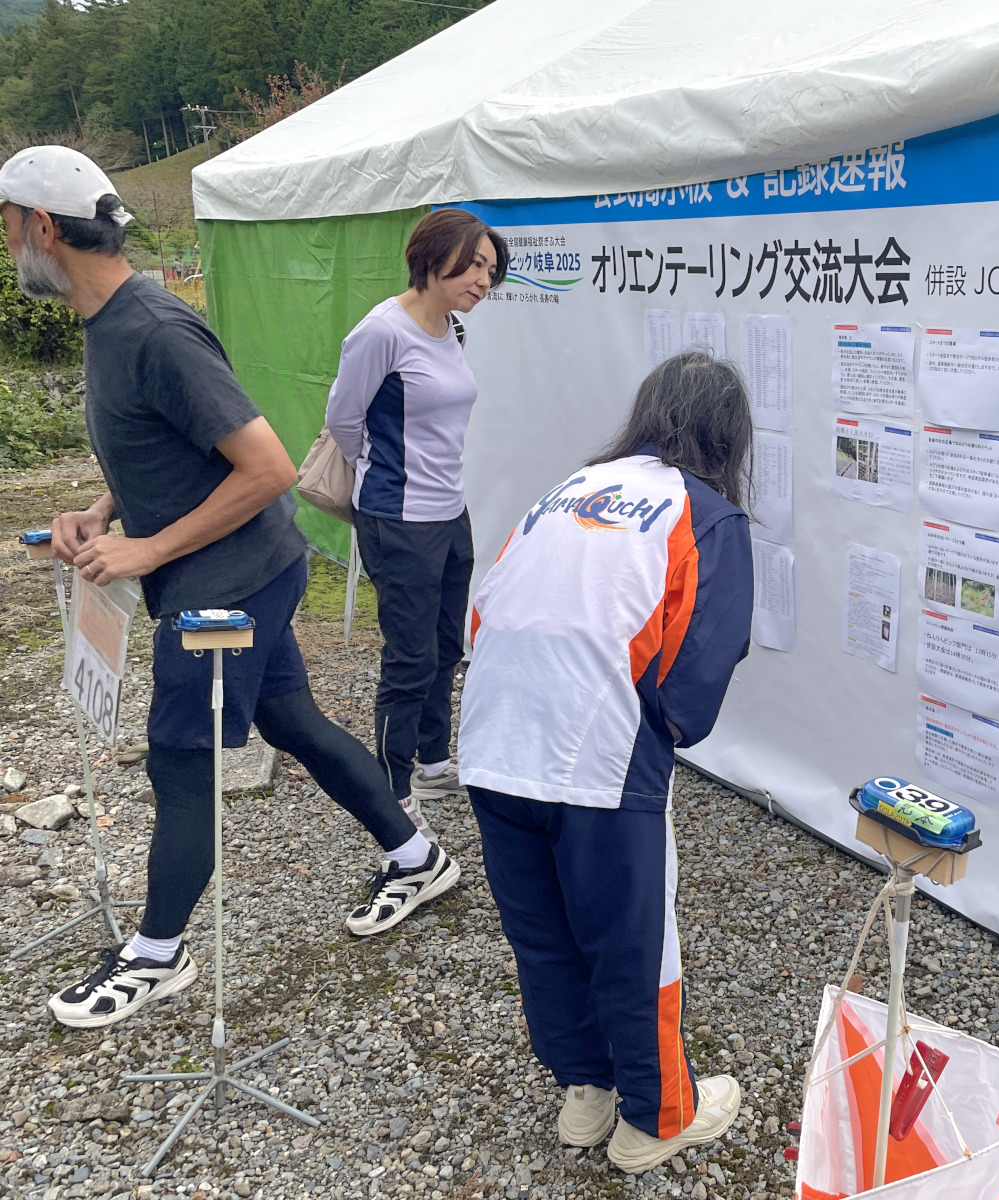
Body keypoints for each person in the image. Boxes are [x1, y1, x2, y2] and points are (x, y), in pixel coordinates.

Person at [7, 147, 460, 1030]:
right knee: (291, 721)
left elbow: (268, 468)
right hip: (234, 567)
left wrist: (146, 550)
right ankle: (416, 857)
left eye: (9, 224)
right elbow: (172, 446)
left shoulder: (154, 329)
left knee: (181, 757)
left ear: (44, 227)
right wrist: (103, 510)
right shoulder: (108, 321)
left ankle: (157, 954)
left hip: (228, 581)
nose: (8, 241)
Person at [457, 353, 754, 1172]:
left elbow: (486, 611)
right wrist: (661, 727)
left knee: (543, 931)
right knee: (634, 942)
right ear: (728, 436)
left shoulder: (569, 489)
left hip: (492, 736)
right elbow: (698, 673)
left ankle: (584, 1089)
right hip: (598, 755)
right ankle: (656, 1117)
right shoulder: (707, 514)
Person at [326, 209, 508, 838]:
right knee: (409, 657)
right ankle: (392, 786)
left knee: (446, 644)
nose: (484, 279)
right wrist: (379, 475)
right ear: (432, 258)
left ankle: (432, 761)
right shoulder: (382, 331)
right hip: (398, 518)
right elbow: (344, 418)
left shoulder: (452, 329)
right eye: (474, 264)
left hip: (449, 512)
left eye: (490, 268)